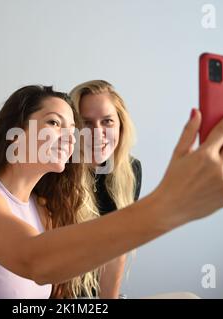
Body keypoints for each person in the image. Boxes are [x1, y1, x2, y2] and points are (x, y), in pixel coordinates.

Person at [0, 85, 223, 299]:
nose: (72, 136)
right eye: (55, 122)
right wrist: (169, 206)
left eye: (73, 128)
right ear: (16, 133)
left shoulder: (43, 209)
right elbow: (35, 260)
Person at [70, 80, 141, 298]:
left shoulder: (130, 170)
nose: (97, 132)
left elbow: (117, 250)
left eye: (107, 121)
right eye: (86, 123)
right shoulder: (55, 172)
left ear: (121, 125)